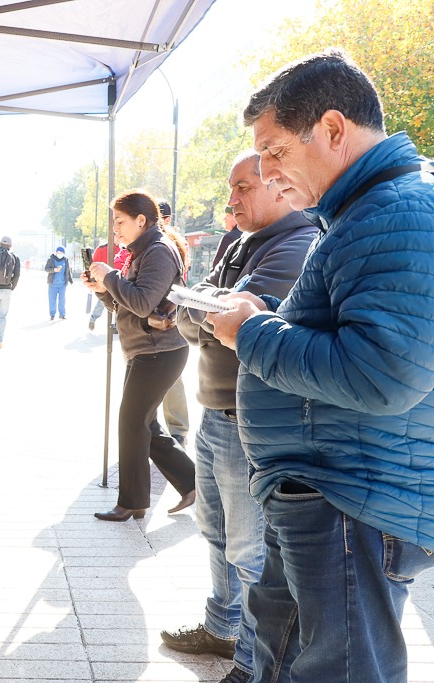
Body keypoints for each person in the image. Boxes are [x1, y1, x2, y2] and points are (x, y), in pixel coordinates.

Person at [208, 50, 434, 683]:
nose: (268, 171)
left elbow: (381, 373)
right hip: (332, 486)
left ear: (334, 131)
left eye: (275, 151)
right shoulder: (365, 213)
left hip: (353, 496)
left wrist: (251, 331)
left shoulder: (397, 214)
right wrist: (270, 311)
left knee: (344, 668)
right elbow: (347, 330)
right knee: (287, 658)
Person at [163, 151, 317, 683]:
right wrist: (207, 309)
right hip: (217, 413)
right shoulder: (241, 242)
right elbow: (193, 316)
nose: (231, 200)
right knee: (216, 532)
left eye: (244, 188)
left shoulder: (296, 244)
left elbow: (225, 320)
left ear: (278, 186)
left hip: (246, 420)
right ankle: (222, 628)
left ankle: (250, 663)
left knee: (250, 552)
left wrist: (205, 309)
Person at [84, 190, 195, 522]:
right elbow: (126, 306)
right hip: (147, 350)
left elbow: (144, 302)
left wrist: (109, 276)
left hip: (161, 351)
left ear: (141, 220)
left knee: (132, 422)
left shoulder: (159, 251)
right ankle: (194, 484)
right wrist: (104, 291)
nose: (115, 229)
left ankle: (132, 502)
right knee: (144, 424)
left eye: (120, 221)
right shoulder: (142, 251)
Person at [158, 200, 190, 447]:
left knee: (172, 379)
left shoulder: (169, 244)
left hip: (168, 318)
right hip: (149, 324)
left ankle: (177, 429)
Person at [87, 240, 127, 331]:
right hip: (103, 280)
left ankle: (117, 326)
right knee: (102, 303)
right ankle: (93, 319)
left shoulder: (122, 248)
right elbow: (93, 264)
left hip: (118, 280)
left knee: (119, 303)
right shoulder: (101, 248)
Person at [44, 246, 72, 320]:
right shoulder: (51, 259)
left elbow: (68, 271)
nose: (59, 254)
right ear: (56, 252)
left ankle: (62, 314)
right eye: (58, 252)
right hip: (53, 284)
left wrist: (70, 280)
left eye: (61, 253)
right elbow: (46, 269)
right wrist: (54, 270)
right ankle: (52, 314)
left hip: (62, 284)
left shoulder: (65, 260)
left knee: (62, 299)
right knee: (52, 299)